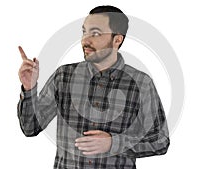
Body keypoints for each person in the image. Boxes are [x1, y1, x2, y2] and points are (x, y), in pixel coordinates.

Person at [17, 5, 170, 169]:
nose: (85, 40)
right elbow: (30, 127)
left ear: (117, 40)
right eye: (84, 32)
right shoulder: (63, 76)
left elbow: (160, 141)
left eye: (95, 33)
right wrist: (29, 89)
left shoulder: (141, 83)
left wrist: (114, 143)